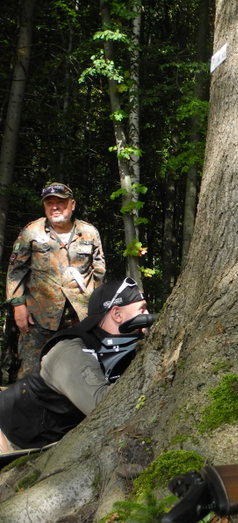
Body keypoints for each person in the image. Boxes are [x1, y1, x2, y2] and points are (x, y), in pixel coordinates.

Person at [0, 278, 151, 453]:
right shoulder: (71, 351)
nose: (147, 314)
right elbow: (105, 408)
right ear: (117, 314)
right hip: (7, 437)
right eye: (142, 309)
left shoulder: (115, 349)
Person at [6, 182, 106, 377]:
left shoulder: (89, 232)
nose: (55, 207)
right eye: (49, 203)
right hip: (39, 317)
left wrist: (98, 310)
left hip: (80, 318)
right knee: (31, 375)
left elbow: (99, 272)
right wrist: (18, 306)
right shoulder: (31, 231)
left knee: (79, 373)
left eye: (60, 202)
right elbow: (15, 271)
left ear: (72, 204)